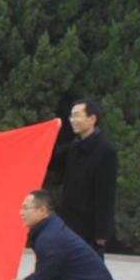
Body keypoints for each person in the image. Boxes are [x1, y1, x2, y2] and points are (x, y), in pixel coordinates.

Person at [55, 99, 118, 256]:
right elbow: (51, 161)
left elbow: (106, 194)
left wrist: (102, 232)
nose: (72, 120)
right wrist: (52, 132)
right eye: (71, 116)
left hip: (90, 228)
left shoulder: (106, 151)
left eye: (77, 115)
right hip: (69, 223)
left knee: (90, 267)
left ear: (92, 119)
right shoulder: (74, 146)